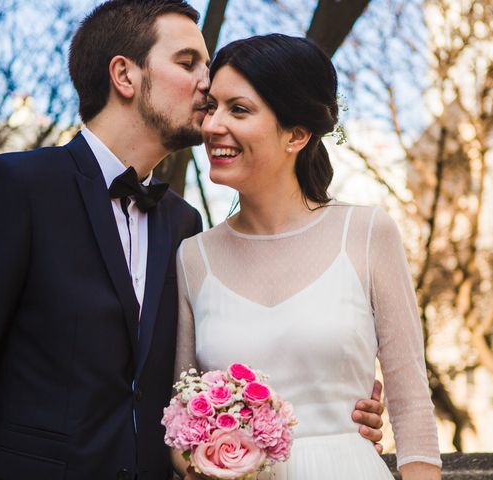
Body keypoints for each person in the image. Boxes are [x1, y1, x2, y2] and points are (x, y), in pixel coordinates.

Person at [0, 2, 384, 479]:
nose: (208, 85)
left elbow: (210, 375)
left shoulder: (184, 226)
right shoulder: (11, 189)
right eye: (188, 63)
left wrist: (334, 412)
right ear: (125, 76)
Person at [174, 34, 442, 479]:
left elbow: (412, 407)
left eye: (238, 110)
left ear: (296, 134)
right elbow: (178, 424)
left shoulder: (366, 233)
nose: (212, 125)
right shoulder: (192, 257)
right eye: (211, 107)